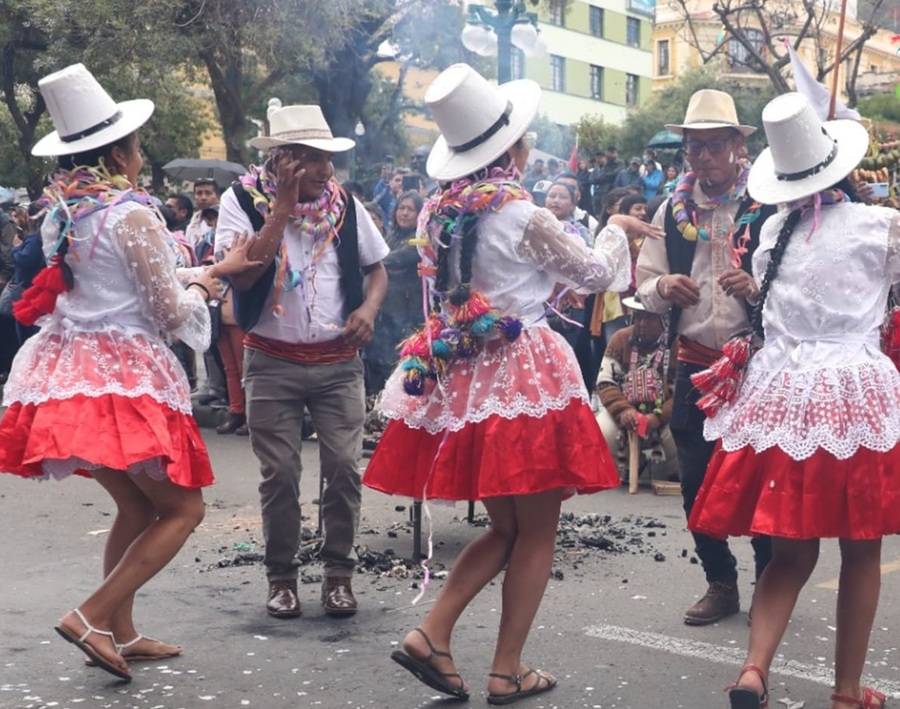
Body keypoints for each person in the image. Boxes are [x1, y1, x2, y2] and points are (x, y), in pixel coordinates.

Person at [363, 63, 659, 704]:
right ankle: (505, 668)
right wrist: (617, 228)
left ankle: (432, 634)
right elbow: (595, 274)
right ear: (514, 150)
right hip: (526, 376)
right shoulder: (519, 212)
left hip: (469, 373)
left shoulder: (439, 212)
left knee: (505, 528)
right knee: (536, 531)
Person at [0, 63, 258, 682]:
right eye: (137, 147)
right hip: (122, 380)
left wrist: (202, 273)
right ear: (119, 154)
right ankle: (91, 615)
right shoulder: (129, 215)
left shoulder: (64, 212)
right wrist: (207, 283)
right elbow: (168, 312)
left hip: (70, 376)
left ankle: (120, 630)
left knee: (137, 510)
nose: (141, 156)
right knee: (184, 510)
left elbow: (100, 288)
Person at [689, 92, 899, 709]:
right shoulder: (880, 226)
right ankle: (846, 692)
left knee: (790, 552)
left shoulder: (772, 231)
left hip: (781, 398)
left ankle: (752, 671)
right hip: (853, 399)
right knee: (861, 550)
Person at [215, 104, 389, 620]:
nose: (325, 170)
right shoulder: (239, 202)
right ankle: (282, 578)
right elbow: (245, 275)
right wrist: (282, 209)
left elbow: (376, 270)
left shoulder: (346, 205)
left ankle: (338, 575)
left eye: (327, 159)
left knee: (343, 469)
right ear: (281, 161)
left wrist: (368, 309)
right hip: (271, 362)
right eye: (312, 159)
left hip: (338, 363)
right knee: (280, 475)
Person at [635, 89, 777, 626]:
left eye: (715, 145)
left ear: (738, 145)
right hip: (696, 363)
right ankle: (720, 581)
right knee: (695, 478)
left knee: (758, 475)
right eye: (695, 147)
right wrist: (664, 286)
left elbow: (797, 282)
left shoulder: (766, 205)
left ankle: (771, 581)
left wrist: (757, 288)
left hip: (758, 363)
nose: (704, 156)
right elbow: (644, 282)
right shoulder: (672, 210)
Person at [596, 295, 679, 481]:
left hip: (665, 417)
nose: (642, 323)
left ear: (663, 320)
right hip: (626, 413)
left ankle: (674, 474)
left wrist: (659, 416)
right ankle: (622, 468)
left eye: (649, 318)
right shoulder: (620, 339)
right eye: (638, 317)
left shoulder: (677, 344)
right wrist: (624, 410)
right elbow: (605, 382)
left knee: (679, 432)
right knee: (602, 429)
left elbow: (682, 393)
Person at [365, 191, 426, 396]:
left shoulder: (420, 239)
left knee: (396, 364)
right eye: (402, 208)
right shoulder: (391, 236)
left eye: (411, 209)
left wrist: (375, 262)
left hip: (407, 314)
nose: (405, 213)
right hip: (383, 312)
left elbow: (395, 260)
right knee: (375, 361)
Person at [184, 178, 220, 249]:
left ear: (218, 196)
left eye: (208, 193)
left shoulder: (227, 219)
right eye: (199, 193)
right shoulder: (192, 226)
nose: (203, 197)